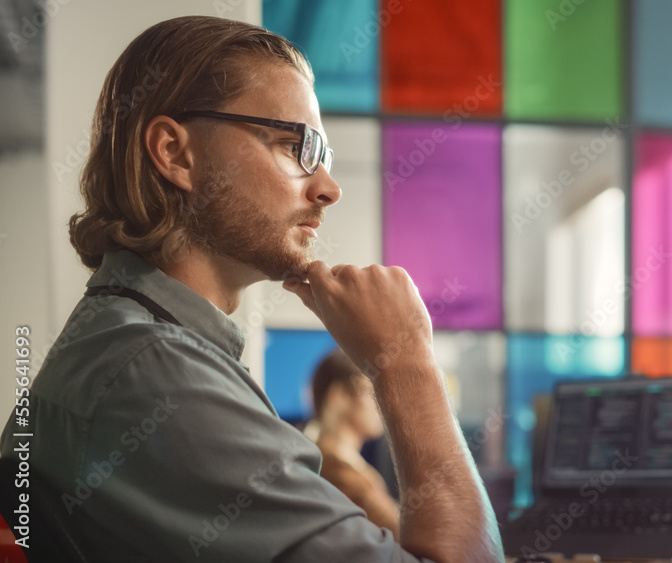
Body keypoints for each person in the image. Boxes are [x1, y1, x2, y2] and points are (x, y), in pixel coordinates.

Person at [0, 15, 502, 563]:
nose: (328, 188)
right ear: (174, 153)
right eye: (294, 146)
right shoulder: (154, 371)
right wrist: (406, 362)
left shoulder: (143, 345)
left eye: (324, 158)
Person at [306, 350, 400, 537]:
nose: (382, 403)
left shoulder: (337, 462)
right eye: (372, 392)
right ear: (339, 395)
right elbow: (402, 536)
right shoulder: (340, 476)